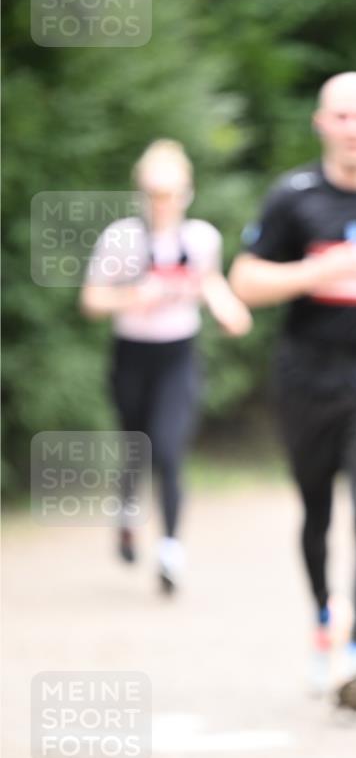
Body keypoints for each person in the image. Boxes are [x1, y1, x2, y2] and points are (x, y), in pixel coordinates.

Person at [229, 72, 356, 709]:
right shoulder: (294, 197)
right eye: (341, 116)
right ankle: (322, 623)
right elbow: (245, 281)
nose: (353, 128)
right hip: (305, 380)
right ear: (321, 123)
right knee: (316, 513)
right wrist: (318, 269)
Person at [80, 139, 251, 593]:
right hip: (132, 355)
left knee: (170, 450)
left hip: (178, 354)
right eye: (155, 192)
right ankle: (126, 512)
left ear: (187, 192)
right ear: (141, 193)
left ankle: (171, 549)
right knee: (135, 446)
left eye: (172, 192)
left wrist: (228, 308)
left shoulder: (201, 239)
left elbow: (210, 281)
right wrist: (131, 297)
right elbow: (92, 299)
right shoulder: (120, 238)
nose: (163, 202)